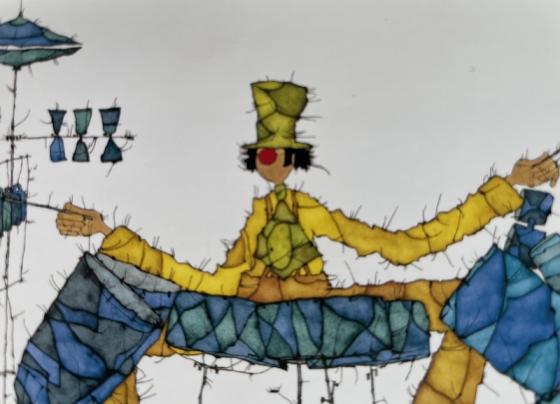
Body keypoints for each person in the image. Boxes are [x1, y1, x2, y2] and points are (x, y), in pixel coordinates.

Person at [57, 80, 559, 404]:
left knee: (466, 299)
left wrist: (505, 190)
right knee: (111, 329)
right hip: (253, 317)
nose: (273, 162)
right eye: (264, 154)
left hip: (317, 311)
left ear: (294, 158)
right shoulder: (257, 221)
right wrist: (109, 234)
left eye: (282, 153)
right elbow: (210, 283)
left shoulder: (306, 210)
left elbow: (403, 247)